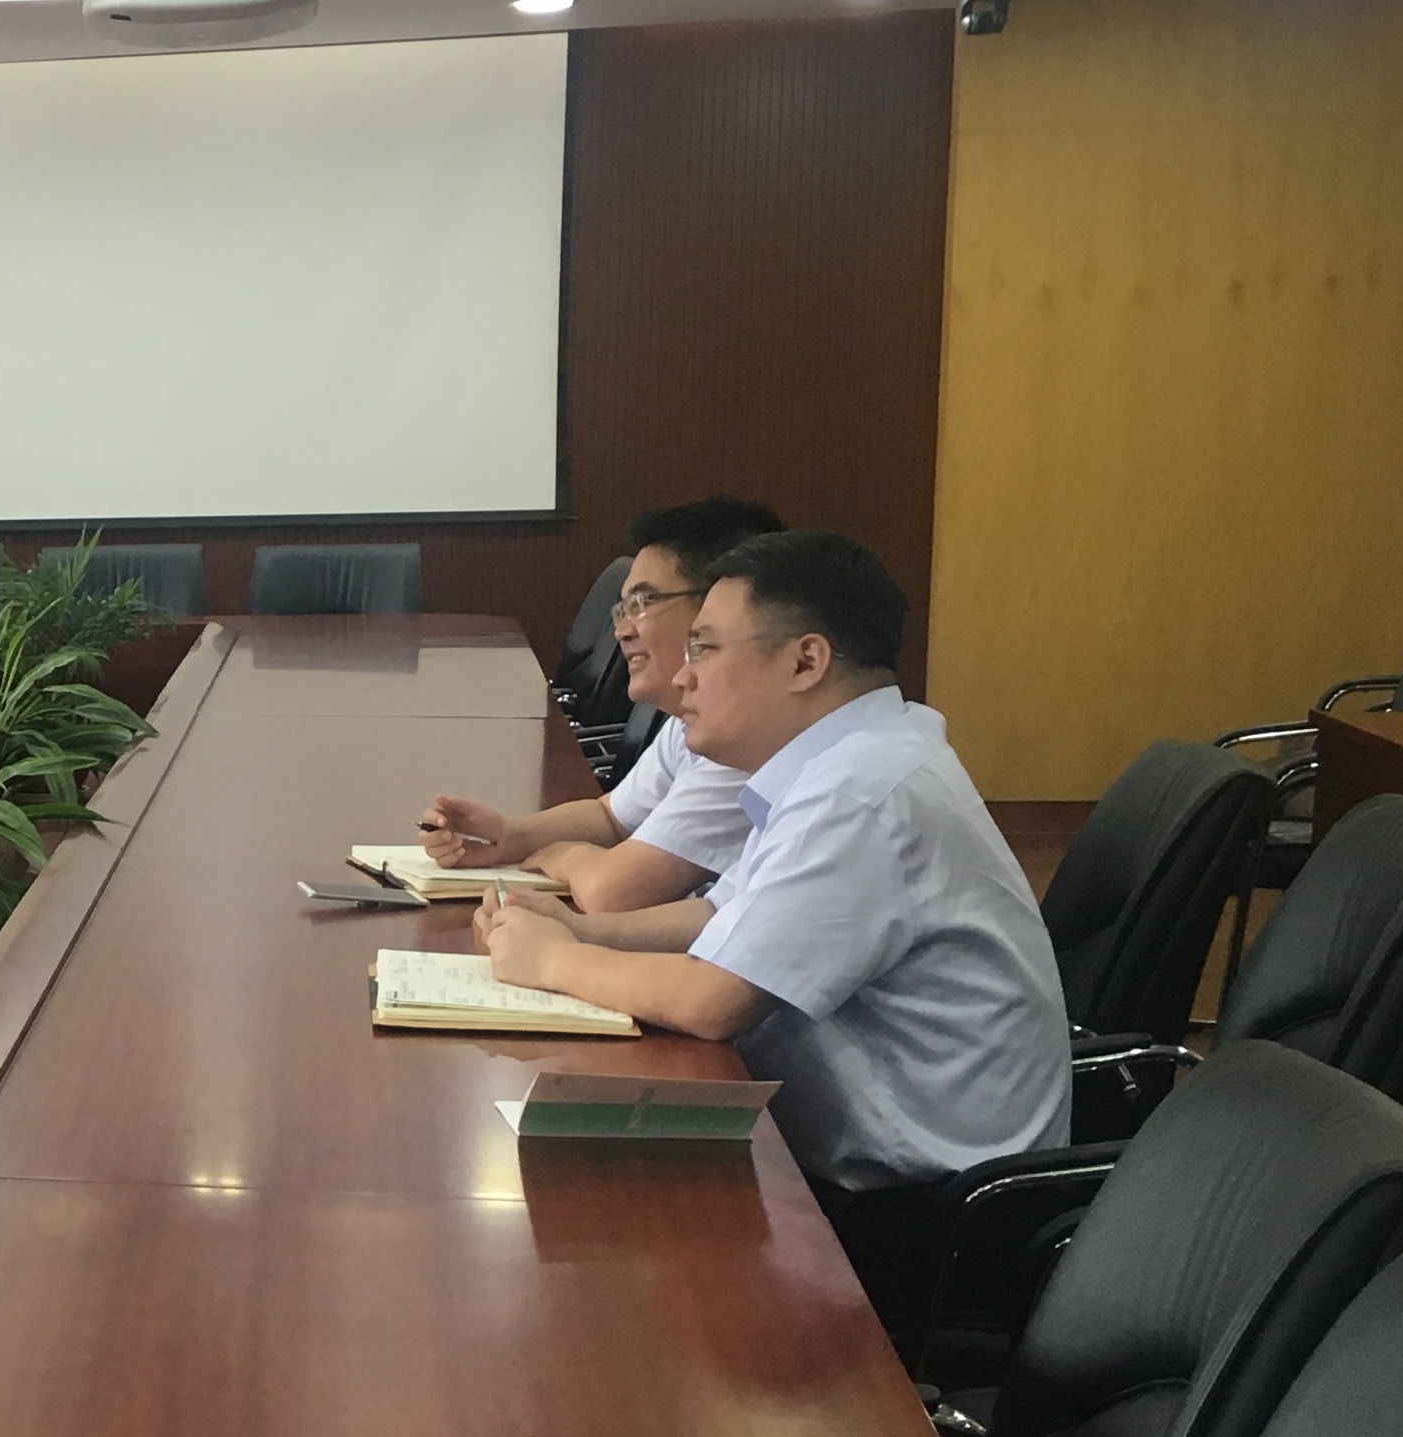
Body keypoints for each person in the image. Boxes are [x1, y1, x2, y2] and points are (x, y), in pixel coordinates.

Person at [471, 529, 1068, 1331]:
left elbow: (716, 1001)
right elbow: (723, 918)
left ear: (805, 661)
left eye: (707, 649)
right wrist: (582, 931)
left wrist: (556, 961)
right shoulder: (842, 760)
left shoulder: (861, 791)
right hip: (852, 1164)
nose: (684, 675)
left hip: (918, 1216)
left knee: (579, 1284)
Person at [417, 495, 778, 912]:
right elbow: (613, 817)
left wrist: (568, 856)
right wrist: (506, 835)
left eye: (642, 604)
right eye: (622, 609)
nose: (622, 630)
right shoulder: (691, 717)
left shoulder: (745, 744)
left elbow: (615, 891)